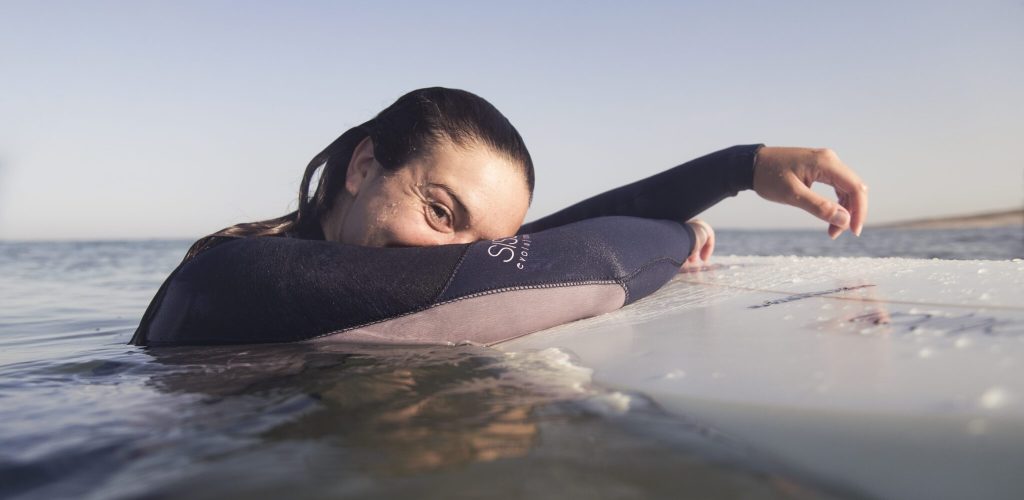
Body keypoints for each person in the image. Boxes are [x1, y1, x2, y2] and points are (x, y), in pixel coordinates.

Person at [131, 87, 867, 346]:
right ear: (363, 167)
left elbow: (526, 252)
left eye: (490, 241)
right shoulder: (229, 280)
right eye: (441, 209)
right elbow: (567, 263)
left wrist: (738, 169)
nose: (459, 251)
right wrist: (678, 232)